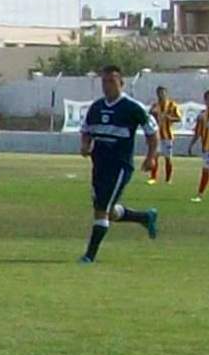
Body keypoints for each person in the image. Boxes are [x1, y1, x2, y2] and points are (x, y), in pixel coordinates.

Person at [77, 65, 159, 264]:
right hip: (99, 165)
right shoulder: (96, 107)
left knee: (101, 209)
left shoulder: (132, 107)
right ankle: (145, 217)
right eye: (104, 82)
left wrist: (151, 157)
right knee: (109, 211)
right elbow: (86, 131)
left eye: (111, 81)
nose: (107, 86)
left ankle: (89, 255)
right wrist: (85, 146)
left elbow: (152, 132)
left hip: (120, 166)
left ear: (121, 83)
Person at [146, 84, 182, 185]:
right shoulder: (154, 106)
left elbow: (179, 118)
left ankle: (168, 179)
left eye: (162, 93)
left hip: (167, 136)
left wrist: (169, 118)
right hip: (157, 136)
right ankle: (153, 177)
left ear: (166, 93)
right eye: (159, 93)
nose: (161, 95)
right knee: (155, 157)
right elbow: (148, 118)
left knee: (168, 158)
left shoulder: (172, 105)